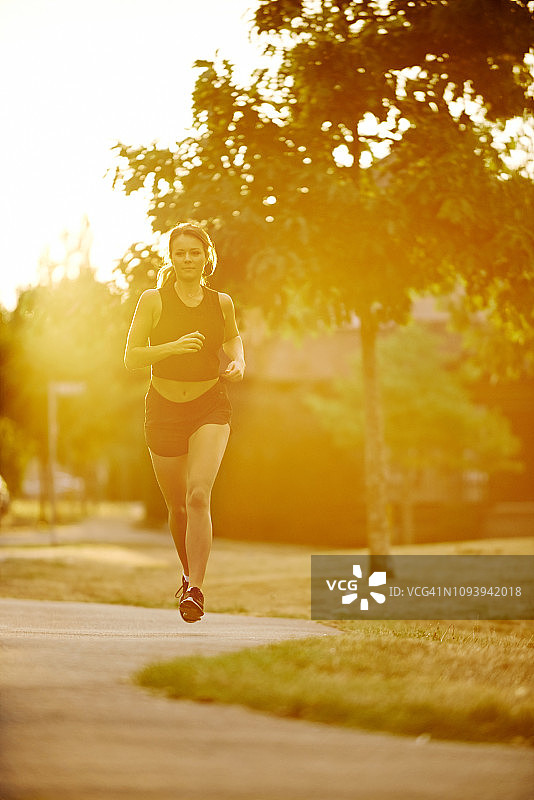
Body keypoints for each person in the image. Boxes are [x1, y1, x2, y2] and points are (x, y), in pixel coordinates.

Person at [124, 222, 245, 622]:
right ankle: (187, 572)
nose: (187, 259)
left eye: (195, 252)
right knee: (176, 506)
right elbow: (132, 357)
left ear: (206, 256)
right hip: (164, 409)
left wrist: (239, 360)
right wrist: (172, 347)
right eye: (180, 253)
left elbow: (232, 338)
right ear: (171, 258)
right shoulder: (153, 300)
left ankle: (196, 589)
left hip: (210, 405)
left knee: (198, 495)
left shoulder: (221, 302)